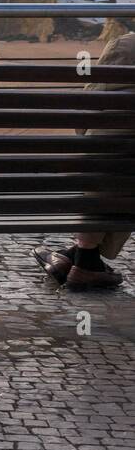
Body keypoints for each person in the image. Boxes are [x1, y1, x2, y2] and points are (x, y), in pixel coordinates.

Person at [31, 28, 134, 288]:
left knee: (105, 161)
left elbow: (85, 115)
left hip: (98, 173)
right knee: (123, 171)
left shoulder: (126, 45)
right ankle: (83, 260)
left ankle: (83, 258)